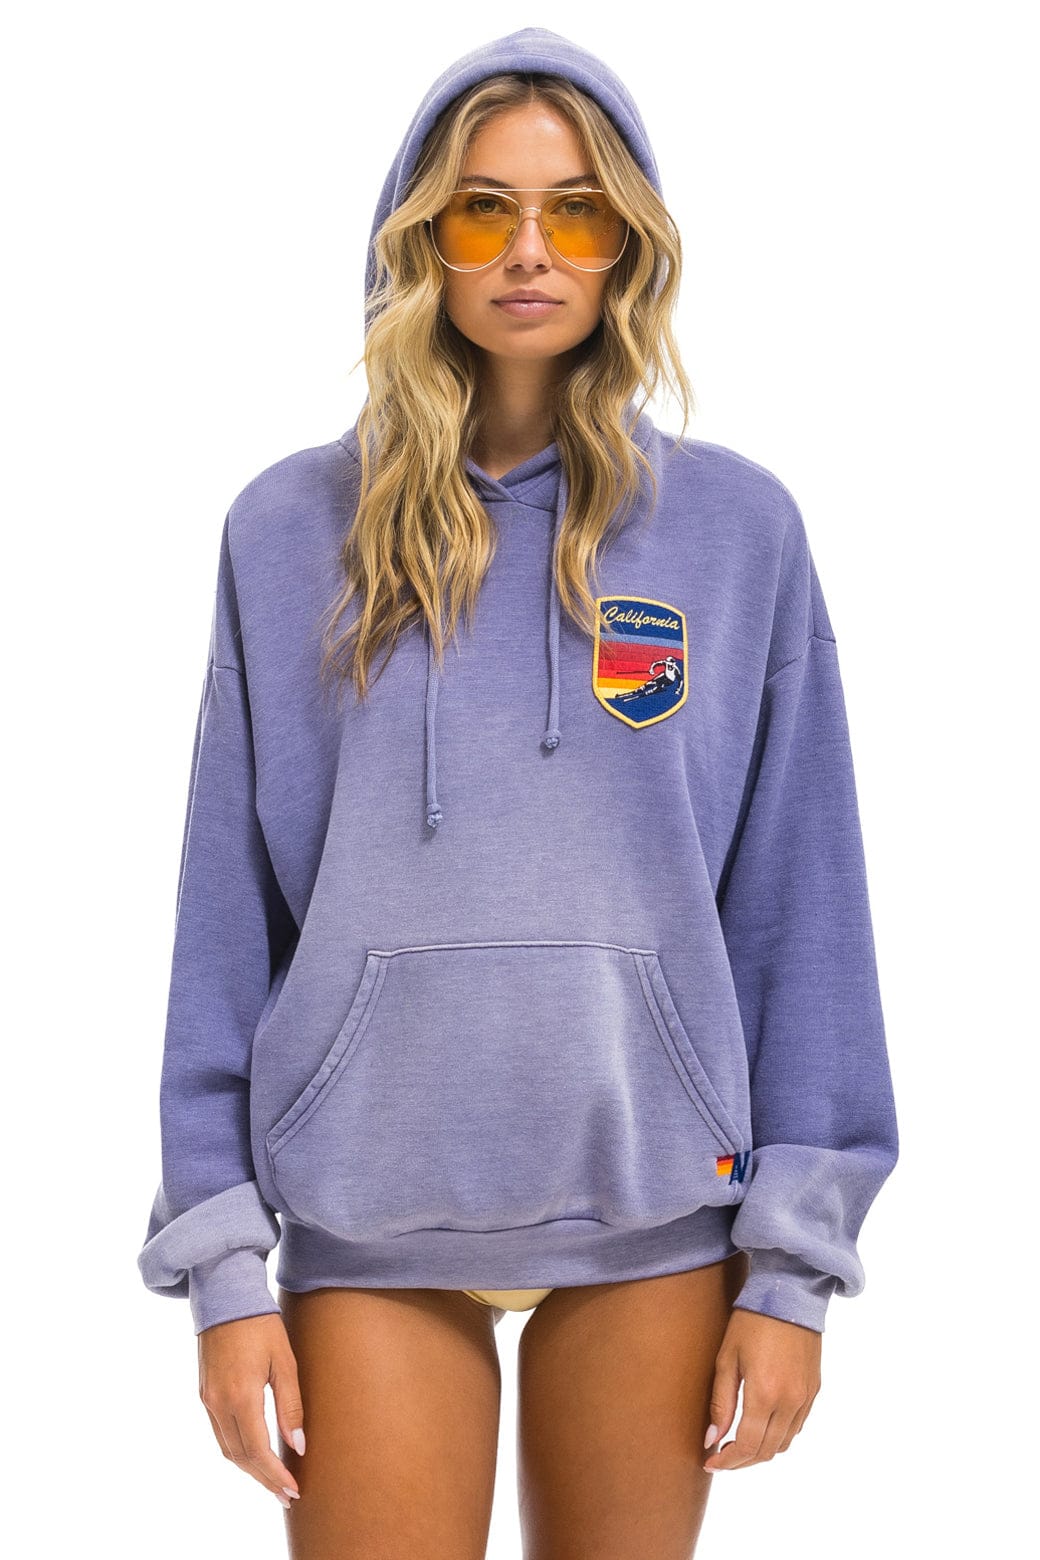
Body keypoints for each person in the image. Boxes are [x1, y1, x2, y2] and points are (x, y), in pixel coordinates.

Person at [137, 26, 899, 1559]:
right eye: (484, 211)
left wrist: (792, 1271)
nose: (531, 251)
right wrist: (221, 1268)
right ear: (422, 238)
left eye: (577, 212)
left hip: (656, 1206)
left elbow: (800, 909)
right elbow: (226, 923)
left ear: (630, 242)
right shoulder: (288, 530)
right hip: (368, 1211)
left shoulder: (736, 531)